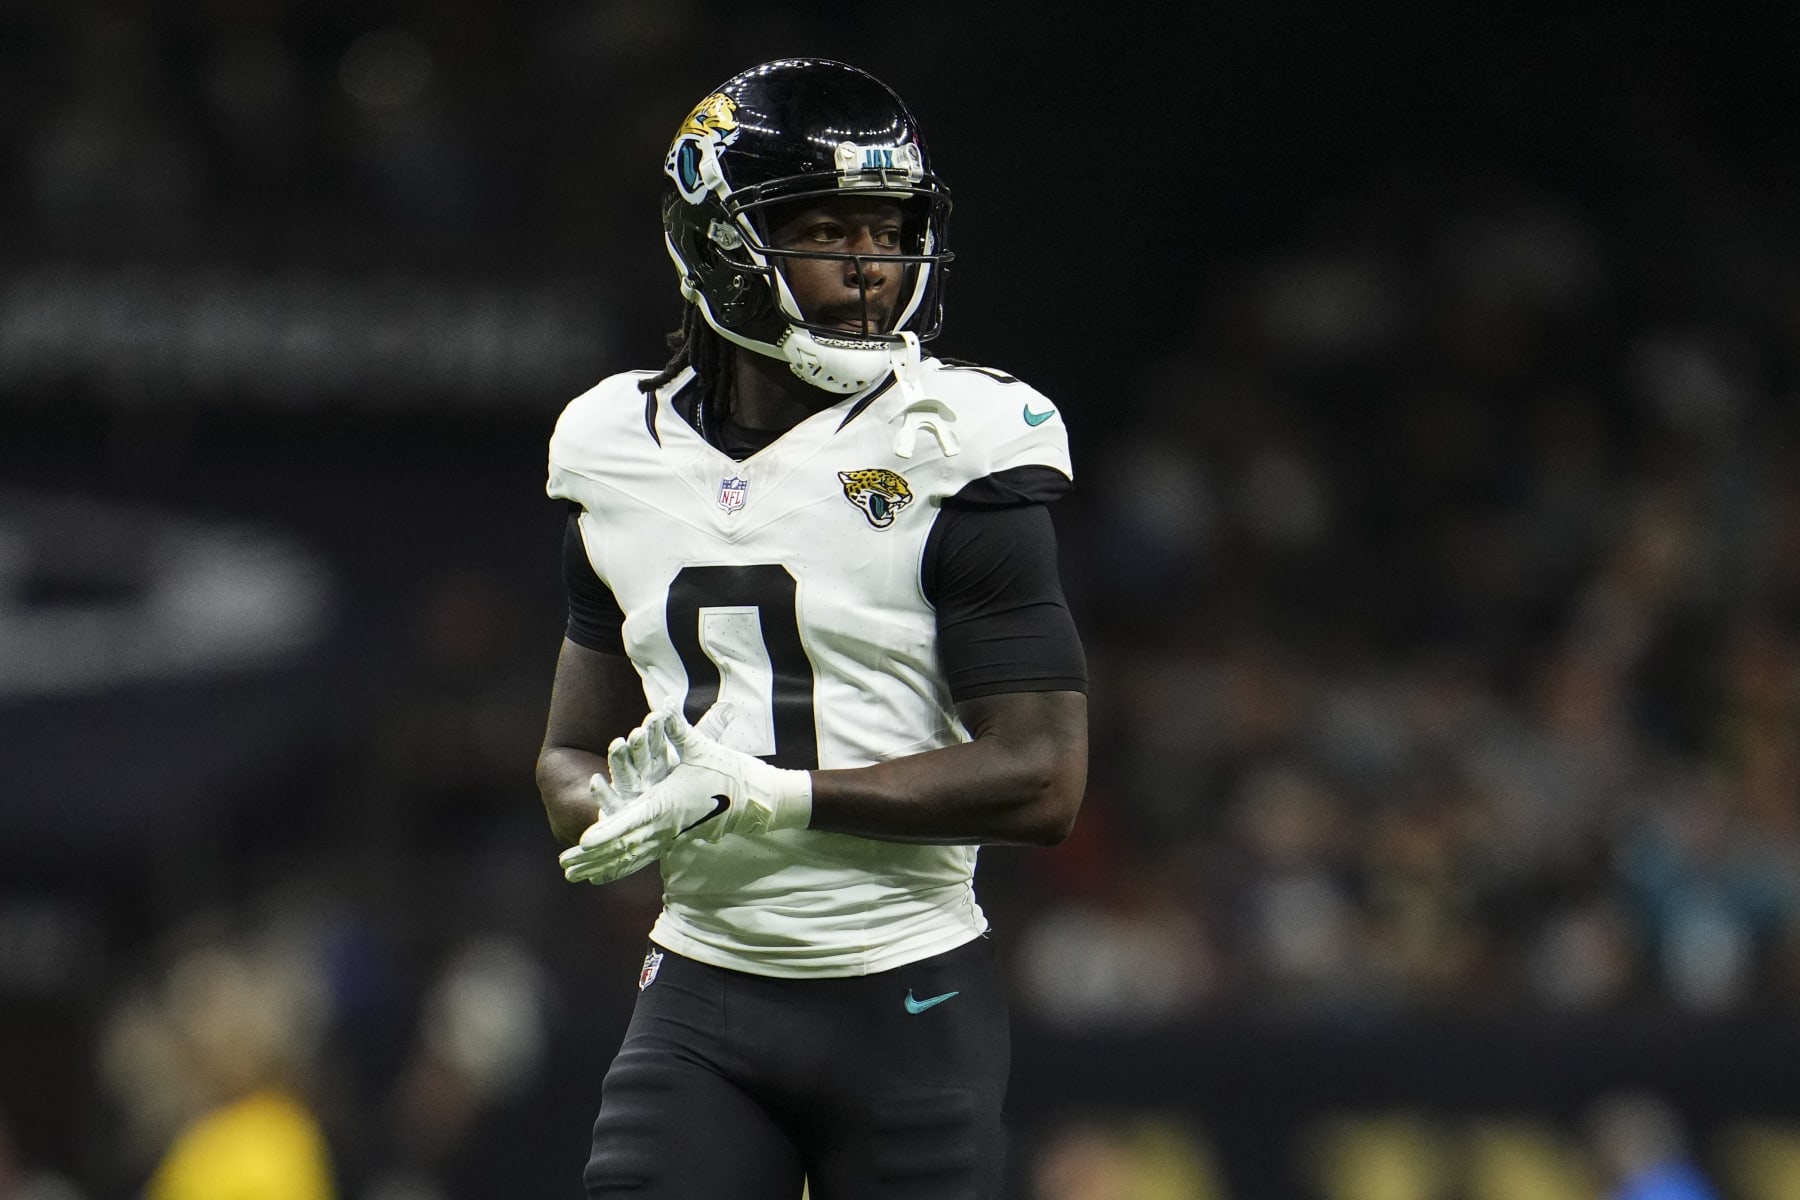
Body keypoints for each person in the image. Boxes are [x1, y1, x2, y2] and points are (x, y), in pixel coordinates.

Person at [535, 58, 1088, 1200]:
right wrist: (622, 809)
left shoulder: (958, 439)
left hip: (909, 991)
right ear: (723, 246)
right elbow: (567, 755)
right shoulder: (609, 448)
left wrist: (771, 795)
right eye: (829, 231)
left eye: (888, 232)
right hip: (701, 987)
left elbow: (1045, 779)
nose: (873, 270)